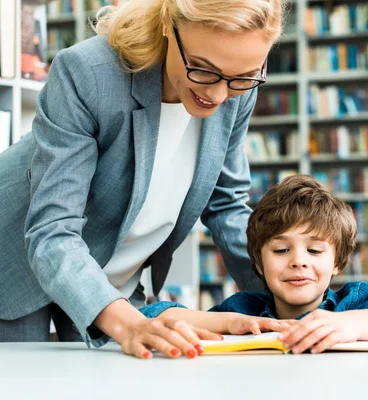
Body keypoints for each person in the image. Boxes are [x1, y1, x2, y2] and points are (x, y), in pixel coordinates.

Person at [0, 0, 287, 359]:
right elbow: (53, 229)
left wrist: (285, 304)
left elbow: (227, 203)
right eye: (202, 69)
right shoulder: (87, 73)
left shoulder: (237, 85)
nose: (218, 95)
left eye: (242, 78)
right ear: (169, 24)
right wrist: (130, 324)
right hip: (17, 264)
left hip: (115, 277)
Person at [141, 175, 368, 353]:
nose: (298, 261)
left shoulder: (355, 302)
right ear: (258, 264)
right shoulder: (244, 309)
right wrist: (227, 323)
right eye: (281, 250)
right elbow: (150, 316)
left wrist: (350, 325)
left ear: (338, 261)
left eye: (315, 251)